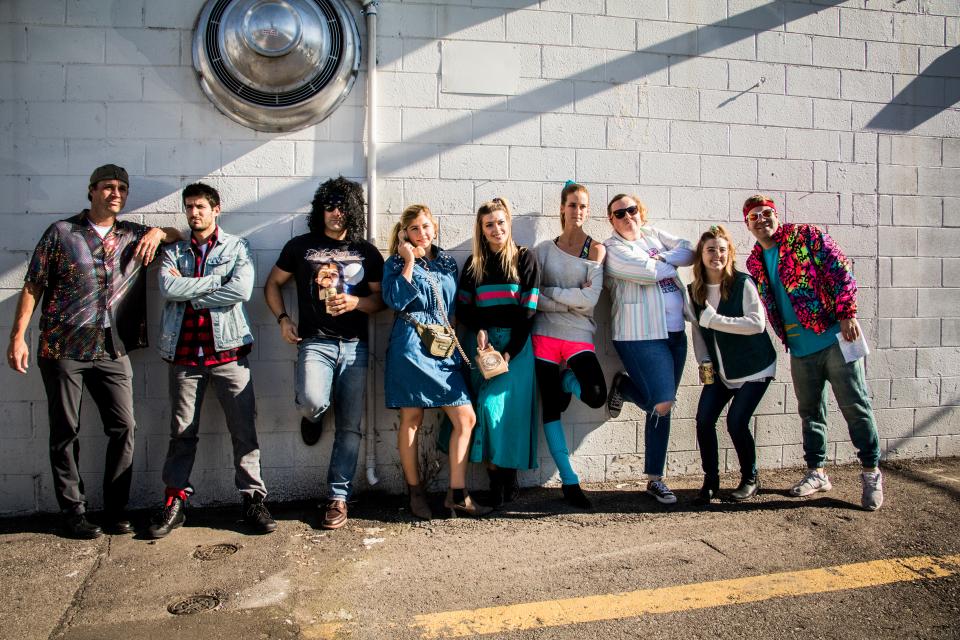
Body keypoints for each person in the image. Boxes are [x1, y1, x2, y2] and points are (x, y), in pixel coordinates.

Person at [5, 164, 180, 539]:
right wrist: (17, 335)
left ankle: (116, 510)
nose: (115, 193)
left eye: (122, 188)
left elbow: (178, 233)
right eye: (107, 187)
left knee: (124, 428)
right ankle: (73, 512)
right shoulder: (61, 233)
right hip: (63, 347)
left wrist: (157, 231)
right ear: (91, 191)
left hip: (112, 349)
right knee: (65, 430)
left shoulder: (133, 235)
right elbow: (33, 284)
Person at [147, 182, 275, 539]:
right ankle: (175, 501)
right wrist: (215, 281)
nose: (194, 213)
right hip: (185, 356)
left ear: (216, 209)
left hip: (229, 353)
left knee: (243, 430)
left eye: (201, 206)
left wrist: (195, 289)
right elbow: (168, 289)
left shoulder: (237, 246)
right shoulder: (175, 251)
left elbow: (241, 290)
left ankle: (252, 499)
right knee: (182, 433)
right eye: (189, 207)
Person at [742, 194, 883, 510]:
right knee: (811, 412)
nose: (762, 219)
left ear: (776, 215)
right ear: (748, 224)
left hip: (835, 337)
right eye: (754, 216)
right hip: (800, 347)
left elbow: (840, 268)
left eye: (767, 213)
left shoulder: (805, 236)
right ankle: (816, 472)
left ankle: (871, 471)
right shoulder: (754, 261)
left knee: (855, 405)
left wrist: (847, 313)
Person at [264, 176, 385, 530]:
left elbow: (381, 301)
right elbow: (272, 284)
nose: (336, 213)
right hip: (314, 342)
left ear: (353, 211)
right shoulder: (301, 246)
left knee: (350, 426)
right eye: (329, 206)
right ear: (320, 209)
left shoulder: (366, 251)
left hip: (355, 346)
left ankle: (338, 497)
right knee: (313, 400)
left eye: (342, 206)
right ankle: (314, 416)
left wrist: (357, 301)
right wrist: (283, 319)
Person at [382, 204, 490, 519]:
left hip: (443, 346)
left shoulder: (446, 262)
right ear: (404, 233)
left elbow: (454, 305)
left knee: (465, 418)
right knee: (412, 418)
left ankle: (457, 494)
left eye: (426, 226)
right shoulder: (394, 262)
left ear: (435, 227)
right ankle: (416, 493)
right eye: (415, 228)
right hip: (411, 345)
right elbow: (395, 299)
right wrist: (409, 260)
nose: (422, 233)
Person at [603, 194, 694, 506]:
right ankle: (655, 479)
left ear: (640, 212)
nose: (627, 217)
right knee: (664, 401)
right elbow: (648, 272)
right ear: (611, 219)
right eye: (619, 213)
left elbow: (690, 251)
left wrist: (662, 260)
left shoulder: (654, 235)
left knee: (662, 403)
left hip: (676, 334)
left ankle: (624, 387)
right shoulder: (613, 248)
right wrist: (666, 261)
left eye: (632, 210)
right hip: (639, 335)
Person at [457, 197, 540, 509]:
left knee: (508, 416)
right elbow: (463, 307)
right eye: (489, 224)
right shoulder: (474, 264)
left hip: (516, 348)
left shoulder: (525, 259)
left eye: (500, 222)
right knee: (488, 416)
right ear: (481, 229)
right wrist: (479, 328)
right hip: (482, 347)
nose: (496, 229)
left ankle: (508, 480)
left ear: (509, 223)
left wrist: (510, 352)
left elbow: (529, 311)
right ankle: (496, 482)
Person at [686, 225, 776, 505]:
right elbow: (698, 332)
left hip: (755, 368)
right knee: (703, 420)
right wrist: (704, 362)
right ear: (701, 255)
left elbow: (756, 323)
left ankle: (750, 478)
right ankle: (711, 480)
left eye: (722, 250)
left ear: (730, 254)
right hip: (723, 371)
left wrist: (717, 321)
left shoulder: (742, 283)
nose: (717, 255)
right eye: (711, 249)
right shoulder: (694, 291)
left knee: (736, 422)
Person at [531, 182, 606, 509]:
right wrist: (568, 300)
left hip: (578, 336)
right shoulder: (543, 251)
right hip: (544, 336)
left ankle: (567, 380)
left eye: (583, 206)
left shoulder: (596, 250)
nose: (578, 211)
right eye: (572, 205)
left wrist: (555, 296)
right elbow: (535, 299)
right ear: (562, 208)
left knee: (595, 394)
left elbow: (590, 301)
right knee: (552, 409)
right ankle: (569, 481)